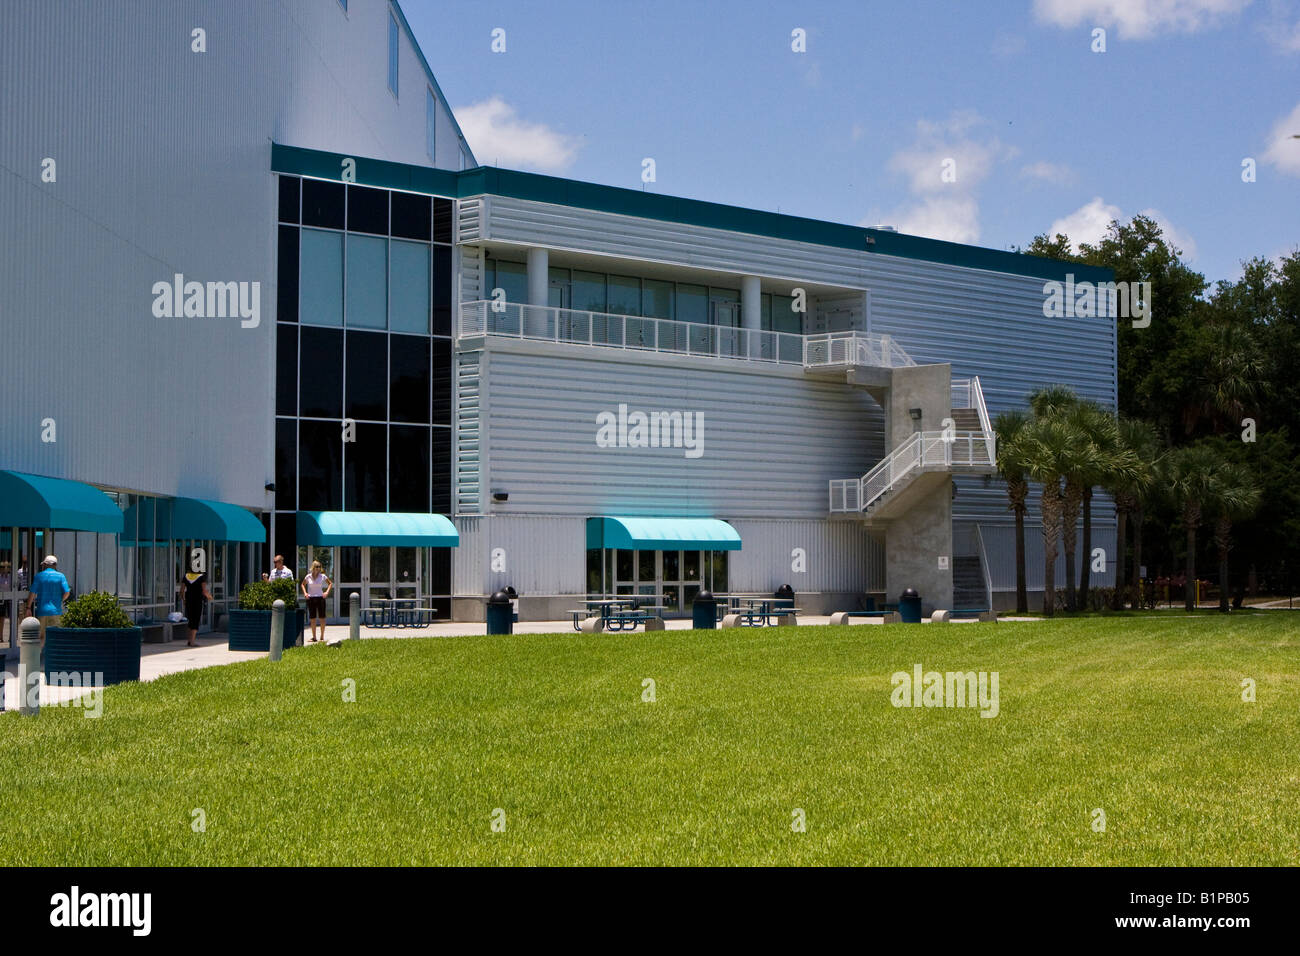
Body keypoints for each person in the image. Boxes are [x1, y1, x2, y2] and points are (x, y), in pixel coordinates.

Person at [25, 555, 70, 646]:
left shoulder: (39, 576)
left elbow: (32, 593)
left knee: (41, 637)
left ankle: (40, 658)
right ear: (55, 565)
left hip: (42, 611)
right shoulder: (61, 576)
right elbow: (67, 592)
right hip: (56, 611)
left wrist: (28, 607)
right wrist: (60, 600)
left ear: (45, 564)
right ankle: (54, 658)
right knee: (55, 637)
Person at [301, 560, 333, 643]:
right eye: (317, 567)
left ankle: (322, 637)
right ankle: (314, 637)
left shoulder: (322, 576)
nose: (318, 568)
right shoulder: (308, 577)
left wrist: (326, 592)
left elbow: (330, 584)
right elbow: (302, 584)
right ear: (313, 567)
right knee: (313, 618)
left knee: (322, 618)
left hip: (320, 598)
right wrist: (305, 593)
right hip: (311, 598)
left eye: (319, 567)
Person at [182, 569, 213, 647]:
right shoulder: (201, 577)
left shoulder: (186, 576)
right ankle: (192, 642)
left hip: (188, 600)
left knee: (190, 620)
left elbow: (181, 591)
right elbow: (204, 591)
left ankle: (189, 641)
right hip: (197, 601)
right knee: (195, 620)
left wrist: (184, 600)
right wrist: (210, 597)